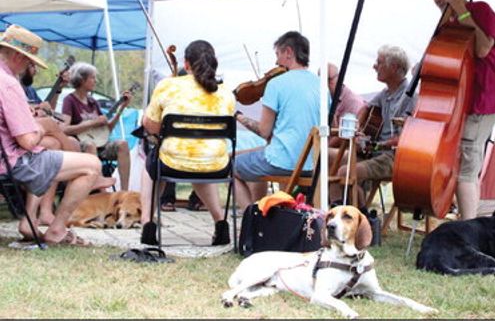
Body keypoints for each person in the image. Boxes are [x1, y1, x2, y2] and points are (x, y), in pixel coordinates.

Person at [0, 24, 115, 245]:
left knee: (53, 142)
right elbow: (26, 140)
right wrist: (43, 125)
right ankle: (57, 230)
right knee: (92, 164)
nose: (28, 66)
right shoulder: (9, 84)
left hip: (5, 155)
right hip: (12, 161)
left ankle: (31, 220)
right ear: (17, 55)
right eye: (28, 61)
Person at [140, 39, 235, 246]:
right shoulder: (226, 93)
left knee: (151, 164)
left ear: (186, 64)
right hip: (216, 165)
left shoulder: (167, 85)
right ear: (214, 62)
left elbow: (152, 127)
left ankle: (147, 224)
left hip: (173, 162)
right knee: (198, 164)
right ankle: (221, 224)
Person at [427, 0, 495, 220]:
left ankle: (468, 228)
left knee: (467, 169)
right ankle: (468, 220)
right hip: (461, 103)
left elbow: (482, 48)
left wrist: (461, 9)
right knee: (464, 166)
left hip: (482, 100)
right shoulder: (447, 22)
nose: (436, 1)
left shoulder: (481, 10)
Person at [234, 31, 321, 210]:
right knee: (257, 156)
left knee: (229, 166)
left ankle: (254, 218)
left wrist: (240, 117)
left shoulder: (277, 83)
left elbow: (264, 131)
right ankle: (268, 211)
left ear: (288, 52)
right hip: (312, 164)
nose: (276, 62)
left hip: (282, 161)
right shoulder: (321, 85)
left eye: (278, 54)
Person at [329, 45, 415, 208]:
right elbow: (365, 108)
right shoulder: (386, 92)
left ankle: (362, 217)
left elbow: (407, 138)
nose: (374, 66)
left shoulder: (410, 96)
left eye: (379, 62)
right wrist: (359, 129)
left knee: (343, 172)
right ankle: (338, 211)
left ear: (394, 67)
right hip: (377, 152)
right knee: (331, 160)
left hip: (394, 157)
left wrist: (379, 145)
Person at [20, 61, 80, 225]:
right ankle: (43, 211)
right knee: (54, 144)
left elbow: (49, 109)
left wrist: (58, 89)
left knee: (71, 142)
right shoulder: (11, 85)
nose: (35, 71)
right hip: (18, 140)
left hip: (33, 135)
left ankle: (47, 210)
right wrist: (36, 111)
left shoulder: (30, 90)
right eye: (32, 66)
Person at [61, 62, 132, 191]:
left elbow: (107, 130)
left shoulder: (93, 102)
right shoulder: (69, 100)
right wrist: (92, 123)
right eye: (92, 77)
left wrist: (121, 108)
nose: (95, 81)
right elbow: (64, 129)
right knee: (90, 144)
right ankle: (102, 192)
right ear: (82, 80)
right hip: (80, 145)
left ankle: (124, 192)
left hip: (99, 144)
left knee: (123, 144)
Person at [321, 62, 366, 147]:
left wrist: (322, 151)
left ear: (339, 78)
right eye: (320, 80)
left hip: (343, 150)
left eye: (328, 79)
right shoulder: (323, 98)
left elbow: (345, 135)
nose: (324, 84)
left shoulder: (353, 102)